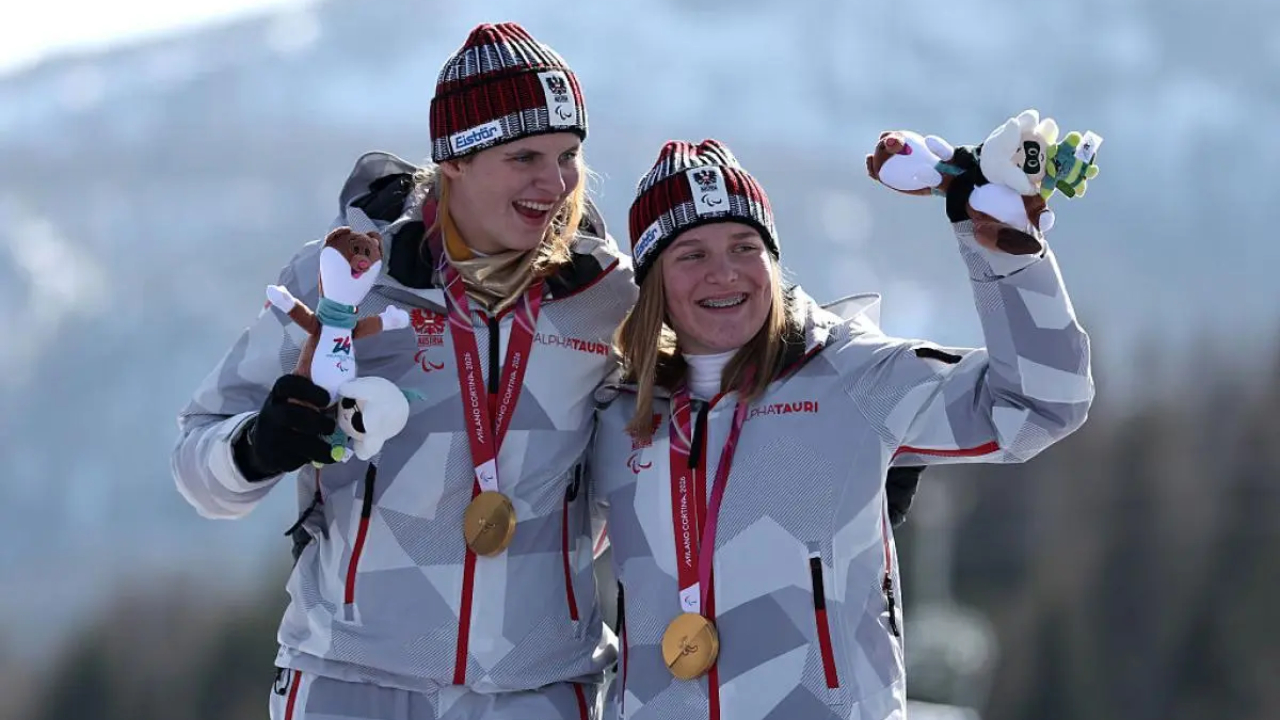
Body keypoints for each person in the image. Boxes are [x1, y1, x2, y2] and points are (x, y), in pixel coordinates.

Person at [171, 22, 640, 720]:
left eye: (569, 154)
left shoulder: (605, 297)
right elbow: (195, 462)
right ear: (454, 160)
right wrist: (256, 447)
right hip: (350, 676)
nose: (557, 182)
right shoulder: (347, 280)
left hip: (540, 685)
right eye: (525, 157)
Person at [590, 136, 1093, 719]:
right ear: (653, 281)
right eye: (692, 255)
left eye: (744, 246)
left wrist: (1008, 256)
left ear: (772, 262)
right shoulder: (616, 416)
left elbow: (1041, 402)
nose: (724, 274)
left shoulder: (855, 380)